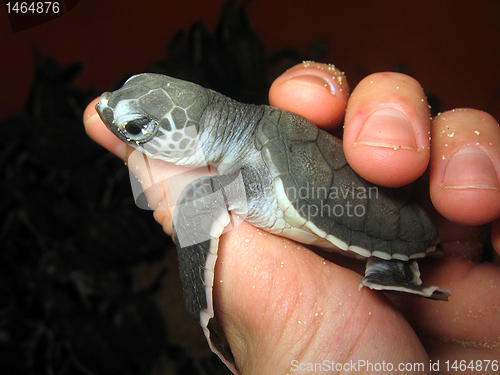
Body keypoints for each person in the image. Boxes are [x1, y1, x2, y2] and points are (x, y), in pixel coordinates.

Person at [84, 62, 500, 374]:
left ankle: (395, 266)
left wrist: (210, 326)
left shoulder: (215, 190)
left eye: (137, 128)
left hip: (397, 230)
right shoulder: (239, 154)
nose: (108, 111)